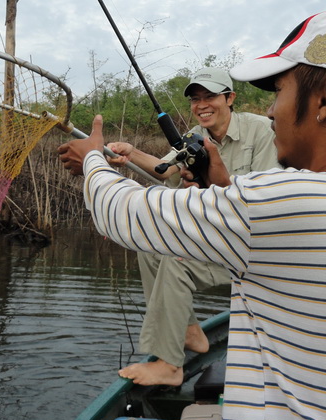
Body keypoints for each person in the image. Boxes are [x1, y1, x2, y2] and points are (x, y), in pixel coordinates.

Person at [58, 8, 326, 420]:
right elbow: (251, 219)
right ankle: (181, 334)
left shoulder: (291, 199)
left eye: (279, 93)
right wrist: (221, 187)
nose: (271, 111)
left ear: (325, 99)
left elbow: (122, 214)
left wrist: (93, 161)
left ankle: (171, 359)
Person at [105, 67, 279, 386]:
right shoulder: (192, 138)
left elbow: (263, 198)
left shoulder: (262, 130)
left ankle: (170, 365)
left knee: (176, 261)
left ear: (230, 98)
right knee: (150, 249)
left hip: (254, 247)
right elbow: (162, 170)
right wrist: (131, 153)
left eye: (210, 96)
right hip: (216, 238)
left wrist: (211, 183)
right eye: (195, 99)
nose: (201, 105)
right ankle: (191, 332)